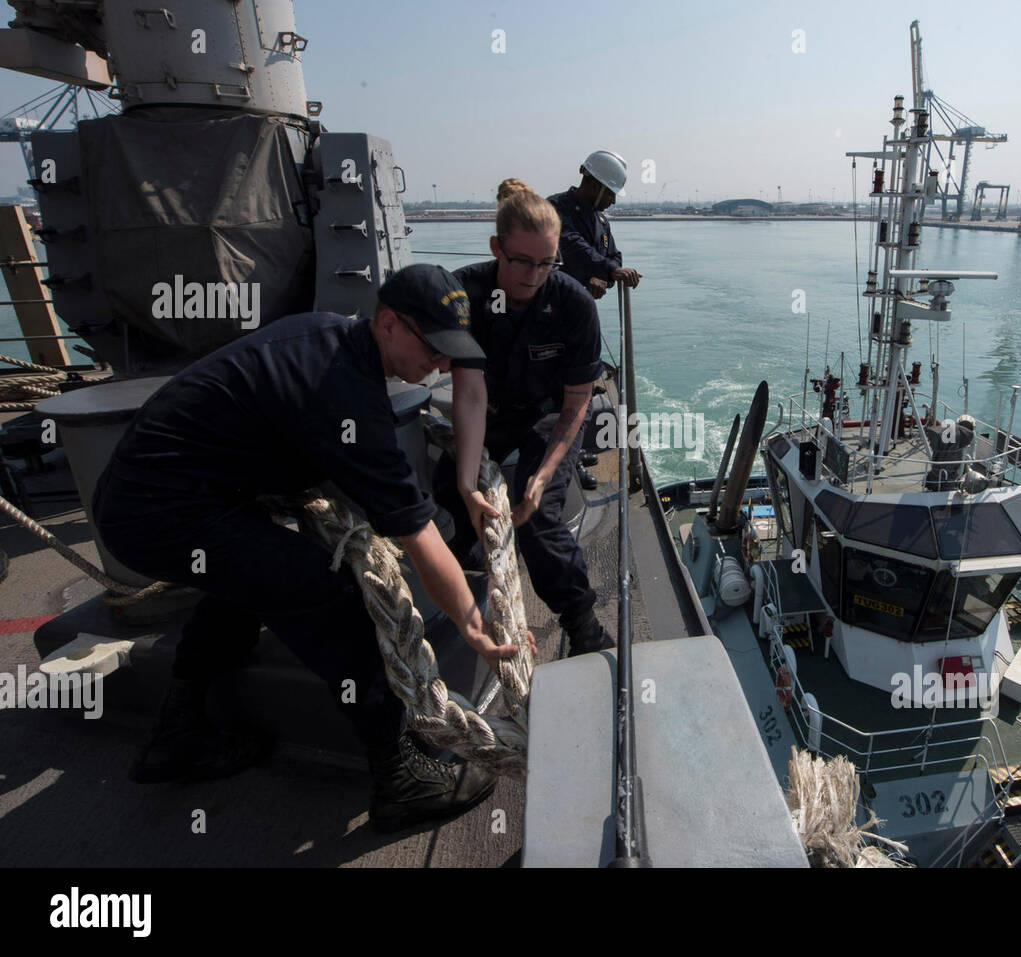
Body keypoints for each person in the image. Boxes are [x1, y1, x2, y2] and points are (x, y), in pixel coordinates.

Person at [92, 264, 525, 833]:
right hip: (160, 511)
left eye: (452, 353)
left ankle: (178, 731)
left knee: (244, 582)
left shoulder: (329, 335)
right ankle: (400, 777)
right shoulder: (343, 393)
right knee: (328, 595)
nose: (442, 365)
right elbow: (416, 533)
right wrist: (475, 627)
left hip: (150, 496)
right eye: (434, 348)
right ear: (389, 323)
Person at [435, 181, 615, 657]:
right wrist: (467, 483)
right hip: (490, 407)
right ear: (497, 248)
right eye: (521, 261)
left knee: (540, 514)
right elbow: (469, 394)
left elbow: (577, 403)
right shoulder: (467, 294)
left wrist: (542, 476)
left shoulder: (573, 305)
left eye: (547, 263)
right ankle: (477, 575)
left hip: (549, 413)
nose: (534, 275)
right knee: (446, 489)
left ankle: (583, 623)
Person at [548, 150, 642, 301]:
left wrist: (604, 277)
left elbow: (614, 256)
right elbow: (572, 245)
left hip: (580, 308)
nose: (613, 201)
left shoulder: (601, 221)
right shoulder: (554, 209)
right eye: (611, 194)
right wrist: (610, 270)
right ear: (595, 185)